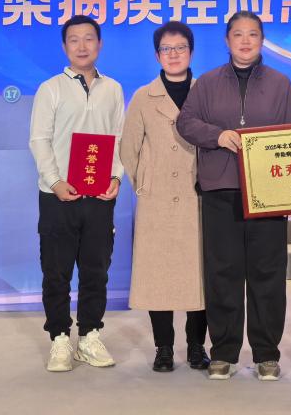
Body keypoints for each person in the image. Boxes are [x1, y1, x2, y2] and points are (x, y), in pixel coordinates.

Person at [176, 11, 291, 381]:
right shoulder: (207, 83)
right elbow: (185, 122)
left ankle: (267, 353)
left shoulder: (281, 84)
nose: (246, 41)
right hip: (221, 189)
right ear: (227, 40)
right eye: (238, 35)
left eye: (253, 34)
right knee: (222, 272)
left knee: (268, 274)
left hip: (269, 192)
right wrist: (217, 136)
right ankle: (224, 352)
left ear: (262, 40)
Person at [28, 14, 124, 372]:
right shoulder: (50, 88)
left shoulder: (113, 89)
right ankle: (59, 338)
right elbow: (39, 139)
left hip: (99, 196)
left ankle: (89, 336)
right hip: (58, 196)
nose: (82, 46)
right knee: (56, 271)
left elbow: (119, 138)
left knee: (96, 269)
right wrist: (55, 181)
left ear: (99, 44)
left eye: (89, 39)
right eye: (74, 39)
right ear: (65, 46)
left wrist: (116, 177)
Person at [120, 21, 209, 373]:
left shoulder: (207, 92)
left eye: (180, 48)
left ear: (191, 52)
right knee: (159, 275)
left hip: (197, 197)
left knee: (198, 276)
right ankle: (164, 348)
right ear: (157, 55)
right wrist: (145, 183)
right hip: (156, 199)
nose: (173, 55)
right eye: (166, 49)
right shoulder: (144, 97)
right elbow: (129, 149)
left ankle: (197, 346)